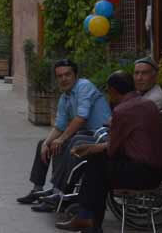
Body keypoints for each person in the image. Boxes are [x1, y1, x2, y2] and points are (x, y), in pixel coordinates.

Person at [54, 71, 162, 231]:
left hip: (142, 172)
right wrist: (91, 148)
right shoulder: (147, 103)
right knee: (98, 166)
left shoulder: (123, 110)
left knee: (96, 166)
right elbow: (119, 145)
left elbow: (112, 150)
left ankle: (86, 217)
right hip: (158, 171)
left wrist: (91, 149)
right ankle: (88, 219)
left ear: (113, 91)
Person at [16, 59, 111, 210]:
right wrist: (47, 142)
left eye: (67, 75)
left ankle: (58, 192)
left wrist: (61, 139)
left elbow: (81, 117)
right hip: (85, 135)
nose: (63, 79)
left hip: (100, 136)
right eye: (59, 76)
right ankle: (37, 189)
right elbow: (59, 126)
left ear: (76, 75)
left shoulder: (84, 86)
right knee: (44, 143)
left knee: (65, 144)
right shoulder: (64, 97)